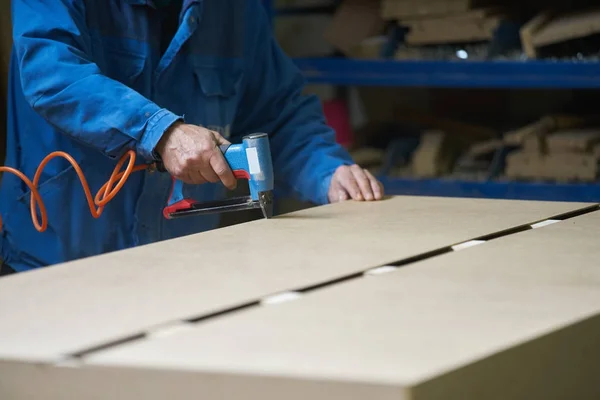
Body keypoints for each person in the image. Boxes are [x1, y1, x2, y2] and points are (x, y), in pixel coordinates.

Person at [0, 0, 384, 276]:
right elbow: (52, 75)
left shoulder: (234, 11)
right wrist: (160, 131)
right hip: (58, 262)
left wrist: (328, 172)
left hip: (181, 265)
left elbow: (278, 113)